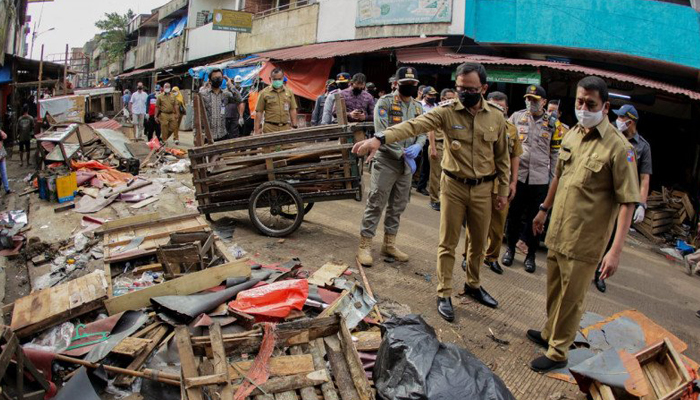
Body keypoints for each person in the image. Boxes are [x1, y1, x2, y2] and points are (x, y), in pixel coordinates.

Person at [352, 62, 511, 321]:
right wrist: (380, 139)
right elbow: (414, 125)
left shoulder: (496, 116)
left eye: (470, 89)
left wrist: (502, 191)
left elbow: (502, 158)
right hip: (454, 187)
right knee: (447, 243)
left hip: (483, 188)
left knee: (478, 243)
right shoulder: (446, 112)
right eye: (460, 88)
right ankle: (444, 292)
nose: (464, 93)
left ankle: (473, 284)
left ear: (483, 88)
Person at [528, 76, 639, 372]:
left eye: (590, 104)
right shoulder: (572, 134)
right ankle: (551, 333)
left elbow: (628, 201)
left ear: (605, 107)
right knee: (553, 290)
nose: (583, 107)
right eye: (579, 101)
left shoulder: (619, 148)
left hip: (586, 238)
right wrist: (543, 209)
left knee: (572, 299)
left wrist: (615, 251)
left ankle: (558, 352)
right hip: (559, 229)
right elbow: (559, 177)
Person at [355, 66, 426, 268]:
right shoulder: (384, 103)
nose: (410, 87)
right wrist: (402, 153)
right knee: (376, 202)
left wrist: (418, 146)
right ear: (396, 84)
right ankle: (365, 244)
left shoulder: (418, 107)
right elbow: (381, 131)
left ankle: (389, 244)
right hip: (387, 160)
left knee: (398, 206)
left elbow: (423, 130)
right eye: (406, 84)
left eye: (413, 84)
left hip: (407, 165)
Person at [461, 91, 523, 274]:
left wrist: (513, 182)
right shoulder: (476, 123)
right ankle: (468, 255)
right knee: (474, 224)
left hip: (501, 184)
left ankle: (491, 257)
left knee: (497, 226)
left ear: (506, 109)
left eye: (500, 107)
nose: (496, 110)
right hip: (480, 182)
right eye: (493, 105)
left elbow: (515, 156)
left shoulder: (511, 129)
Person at [593, 104, 652, 292]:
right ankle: (585, 267)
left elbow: (644, 178)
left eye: (620, 118)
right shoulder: (608, 134)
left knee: (610, 237)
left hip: (623, 198)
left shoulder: (642, 146)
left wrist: (641, 204)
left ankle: (599, 274)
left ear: (630, 121)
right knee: (594, 231)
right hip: (603, 193)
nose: (617, 121)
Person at [502, 85, 560, 273]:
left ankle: (530, 255)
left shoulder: (553, 124)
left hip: (540, 180)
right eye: (528, 99)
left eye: (535, 100)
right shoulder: (517, 117)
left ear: (544, 102)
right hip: (518, 177)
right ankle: (510, 249)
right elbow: (506, 146)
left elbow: (555, 155)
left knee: (536, 220)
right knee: (514, 215)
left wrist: (552, 183)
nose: (531, 103)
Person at [427, 88, 457, 211]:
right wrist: (433, 148)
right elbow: (431, 130)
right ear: (443, 98)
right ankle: (434, 199)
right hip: (437, 145)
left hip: (449, 146)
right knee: (435, 174)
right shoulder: (438, 111)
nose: (452, 100)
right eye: (449, 98)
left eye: (454, 97)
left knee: (447, 175)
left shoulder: (455, 112)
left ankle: (442, 197)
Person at [199, 69, 244, 142]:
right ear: (210, 81)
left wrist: (230, 85)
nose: (217, 79)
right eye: (215, 78)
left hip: (223, 135)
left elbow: (239, 100)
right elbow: (196, 116)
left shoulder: (225, 94)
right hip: (207, 137)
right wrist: (196, 135)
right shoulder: (203, 95)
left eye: (219, 78)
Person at [255, 68, 298, 135]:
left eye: (279, 79)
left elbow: (292, 109)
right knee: (270, 145)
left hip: (285, 128)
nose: (277, 81)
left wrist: (294, 126)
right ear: (270, 79)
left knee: (286, 145)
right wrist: (256, 130)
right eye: (275, 79)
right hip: (269, 129)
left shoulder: (289, 92)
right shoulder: (263, 93)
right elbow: (259, 112)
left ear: (283, 78)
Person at [416, 86, 439, 196]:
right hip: (416, 137)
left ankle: (421, 186)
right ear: (424, 95)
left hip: (430, 139)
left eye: (434, 95)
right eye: (430, 95)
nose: (432, 97)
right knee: (413, 160)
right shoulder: (418, 105)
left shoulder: (437, 107)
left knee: (426, 164)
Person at [0, 128, 10, 194]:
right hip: (1, 155)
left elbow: (5, 136)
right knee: (3, 173)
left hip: (1, 155)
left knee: (4, 172)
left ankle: (7, 189)